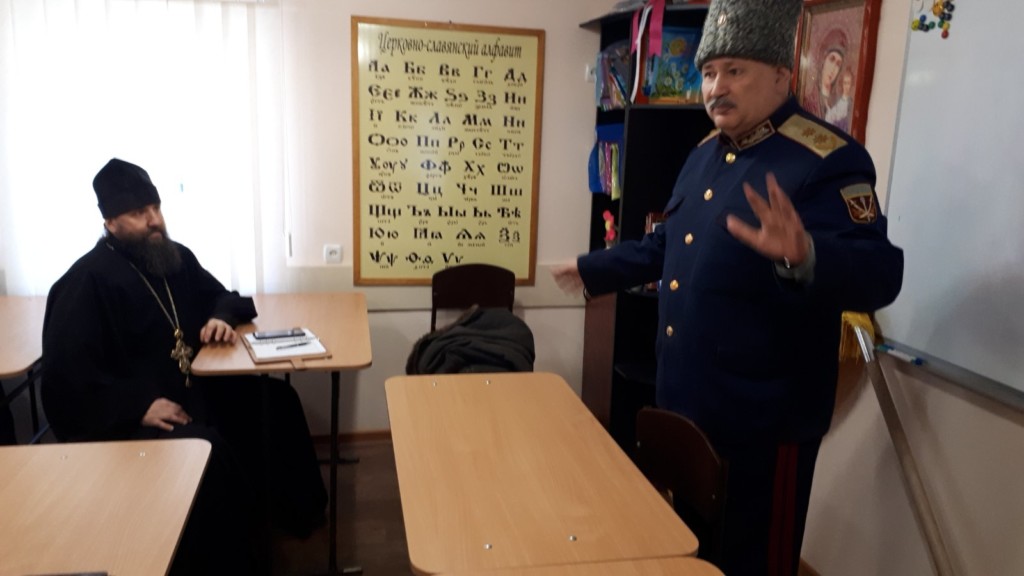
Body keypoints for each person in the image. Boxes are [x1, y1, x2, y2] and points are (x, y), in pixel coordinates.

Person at [552, 1, 904, 574]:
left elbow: (880, 273)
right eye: (710, 72)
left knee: (752, 564)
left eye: (735, 71)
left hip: (762, 424)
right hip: (687, 407)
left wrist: (805, 255)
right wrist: (594, 269)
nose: (716, 87)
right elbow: (668, 245)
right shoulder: (703, 155)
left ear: (781, 76)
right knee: (691, 555)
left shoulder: (825, 160)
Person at [42, 158, 327, 575]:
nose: (154, 221)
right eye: (139, 213)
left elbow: (226, 297)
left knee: (276, 400)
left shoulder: (174, 259)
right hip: (133, 417)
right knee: (208, 449)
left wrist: (219, 318)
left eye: (156, 208)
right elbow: (65, 383)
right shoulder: (84, 282)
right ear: (110, 222)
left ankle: (295, 514)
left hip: (193, 389)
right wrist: (138, 406)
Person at [804, 28, 849, 124]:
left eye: (838, 64)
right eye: (832, 59)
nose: (833, 69)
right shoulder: (808, 102)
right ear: (823, 60)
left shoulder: (838, 104)